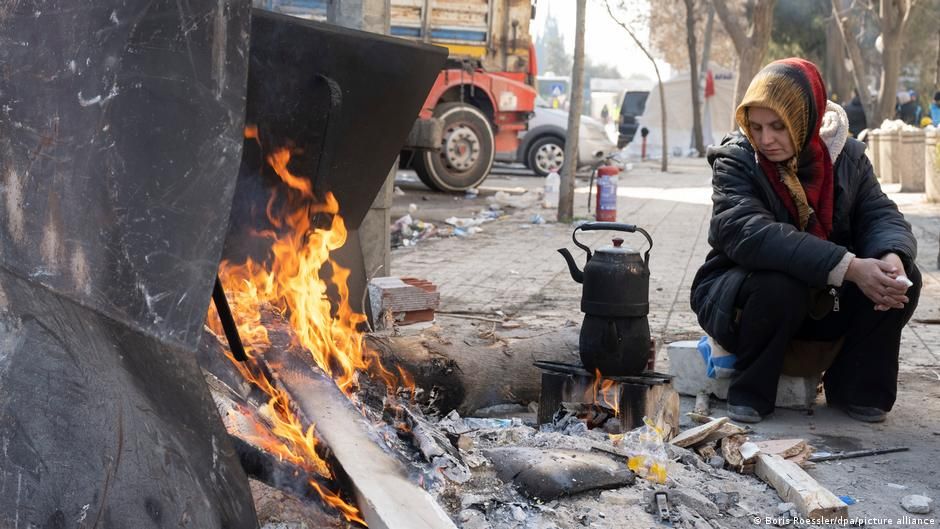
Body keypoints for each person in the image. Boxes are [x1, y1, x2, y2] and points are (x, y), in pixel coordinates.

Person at [690, 58, 921, 424]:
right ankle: (751, 391)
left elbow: (881, 215)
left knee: (900, 274)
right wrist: (849, 267)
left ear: (804, 118)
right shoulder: (736, 160)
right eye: (757, 126)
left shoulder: (848, 158)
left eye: (779, 126)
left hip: (823, 304)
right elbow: (751, 233)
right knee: (780, 282)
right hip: (747, 303)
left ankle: (858, 391)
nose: (766, 139)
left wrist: (890, 256)